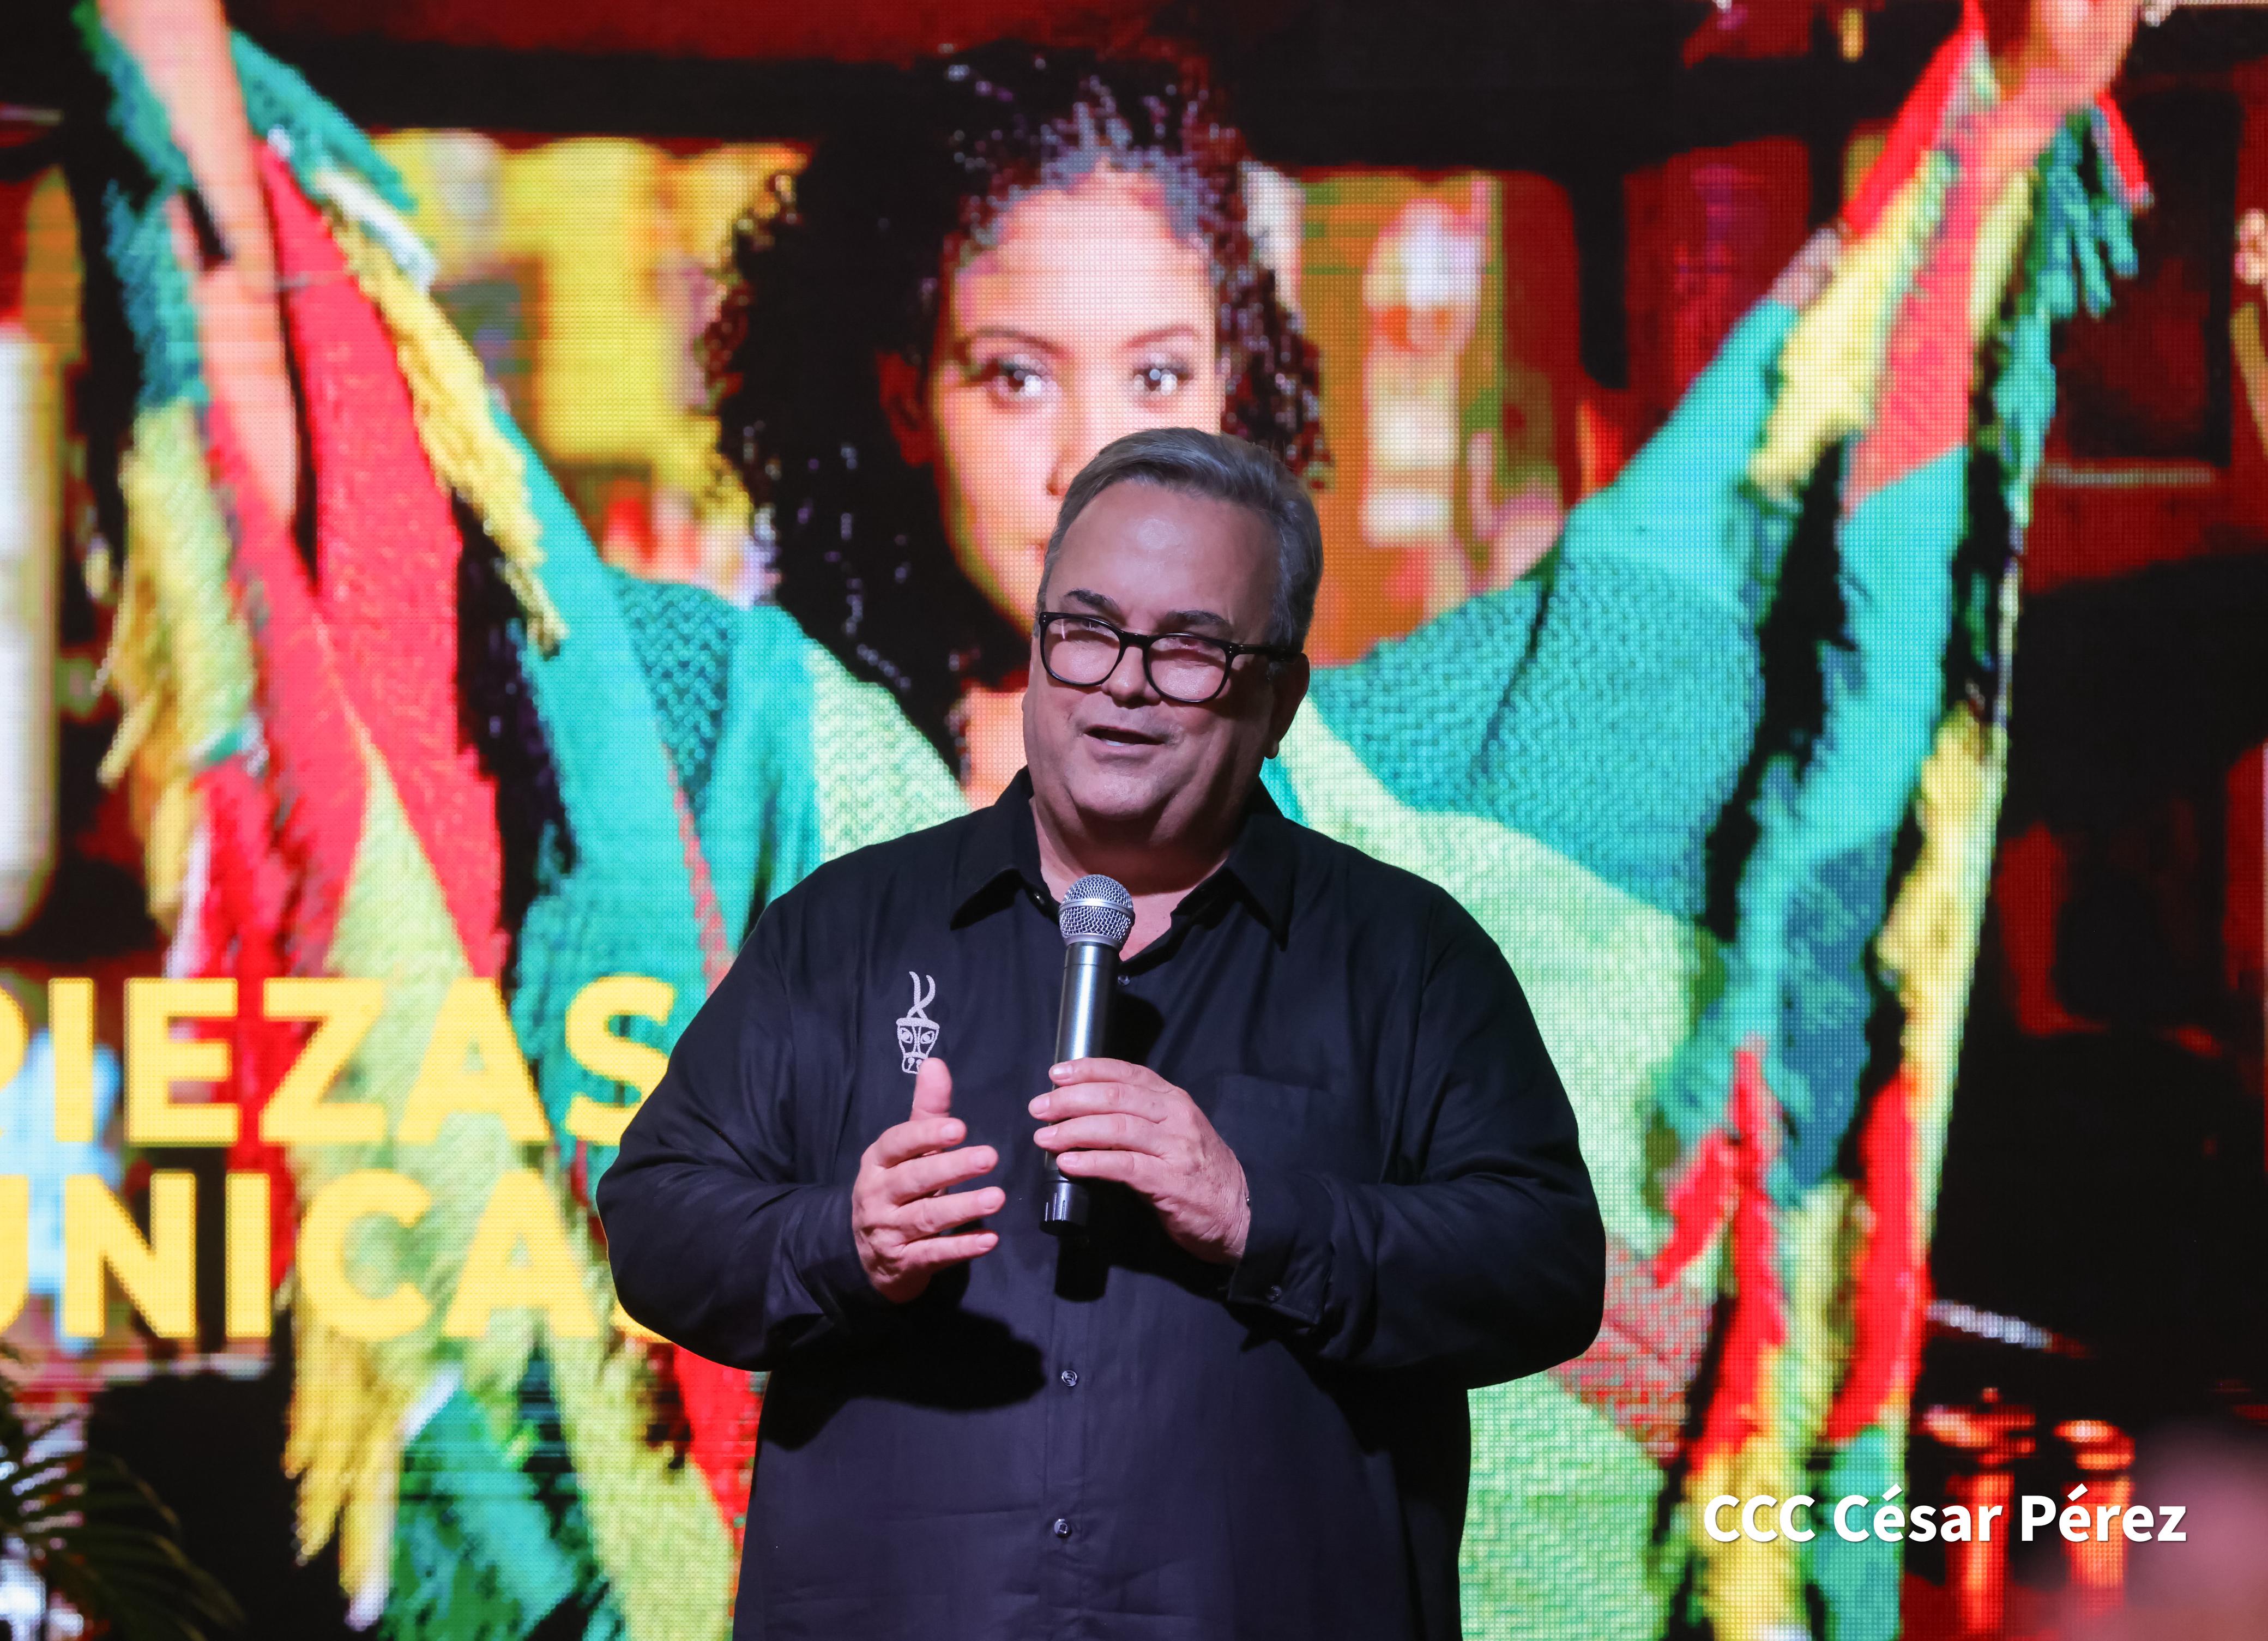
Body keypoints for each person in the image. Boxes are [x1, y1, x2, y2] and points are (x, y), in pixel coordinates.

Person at [59, 0, 2150, 1636]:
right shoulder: (732, 751)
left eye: (1156, 372)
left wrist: (2025, 99)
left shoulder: (1440, 786)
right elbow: (387, 543)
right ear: (906, 400)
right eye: (1017, 376)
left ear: (1233, 390)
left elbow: (1772, 529)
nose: (1095, 458)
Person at [596, 426, 1606, 1638]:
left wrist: (1257, 1216)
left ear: (1278, 697)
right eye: (1087, 629)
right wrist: (843, 1238)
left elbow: (1544, 1269)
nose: (1124, 682)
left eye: (1188, 648)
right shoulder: (846, 929)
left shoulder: (1406, 956)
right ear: (1035, 651)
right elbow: (655, 1217)